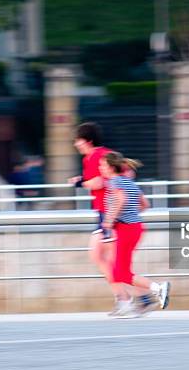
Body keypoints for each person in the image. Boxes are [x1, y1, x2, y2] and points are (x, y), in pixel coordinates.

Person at [100, 151, 171, 318]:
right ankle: (139, 302)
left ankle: (158, 289)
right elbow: (145, 204)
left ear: (111, 167)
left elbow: (120, 200)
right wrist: (130, 214)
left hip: (126, 229)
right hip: (136, 227)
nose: (101, 168)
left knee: (121, 272)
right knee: (120, 271)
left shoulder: (114, 182)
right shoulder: (129, 182)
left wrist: (109, 220)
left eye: (102, 165)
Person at [68, 123, 116, 286]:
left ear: (88, 141)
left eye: (78, 140)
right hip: (101, 211)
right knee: (97, 255)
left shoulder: (101, 155)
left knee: (114, 262)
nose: (76, 144)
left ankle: (140, 296)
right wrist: (81, 180)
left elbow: (100, 181)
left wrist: (81, 184)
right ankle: (126, 298)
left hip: (111, 212)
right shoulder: (87, 159)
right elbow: (91, 180)